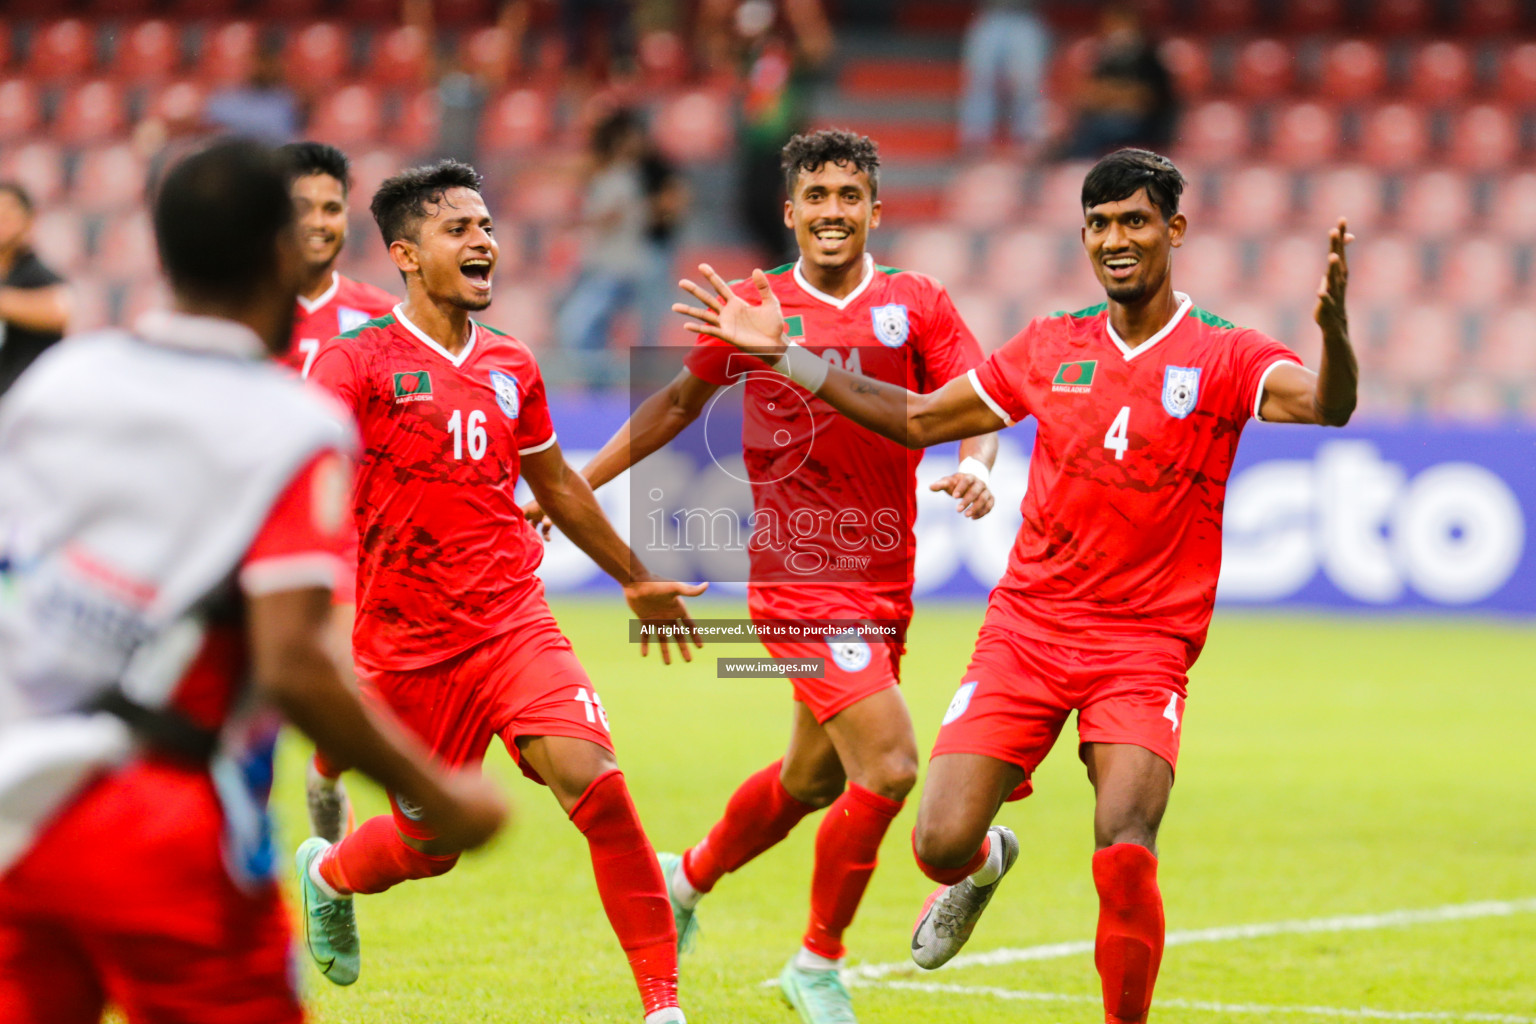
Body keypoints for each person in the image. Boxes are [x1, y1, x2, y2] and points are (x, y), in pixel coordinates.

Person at [674, 148, 1357, 1024]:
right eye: (1102, 225)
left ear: (1174, 231)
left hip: (1143, 646)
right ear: (1083, 236)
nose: (1118, 239)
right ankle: (979, 866)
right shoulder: (1049, 344)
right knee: (937, 841)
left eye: (1136, 221)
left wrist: (1335, 333)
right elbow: (919, 418)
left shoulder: (1225, 353)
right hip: (1027, 631)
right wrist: (795, 359)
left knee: (1124, 847)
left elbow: (1326, 405)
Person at [0, 138, 505, 1024]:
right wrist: (437, 792)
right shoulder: (288, 424)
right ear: (283, 253)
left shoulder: (63, 380)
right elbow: (293, 663)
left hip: (16, 804)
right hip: (153, 816)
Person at [530, 128, 998, 1024]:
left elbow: (969, 399)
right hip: (795, 583)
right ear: (789, 212)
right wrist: (572, 487)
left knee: (811, 783)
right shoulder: (754, 305)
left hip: (882, 580)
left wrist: (979, 461)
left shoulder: (917, 302)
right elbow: (676, 404)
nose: (831, 212)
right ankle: (817, 964)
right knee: (894, 766)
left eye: (848, 196)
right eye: (815, 197)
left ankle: (687, 878)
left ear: (874, 208)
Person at [299, 159, 704, 1024]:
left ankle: (663, 1008)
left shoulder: (512, 363)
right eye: (459, 229)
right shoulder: (354, 364)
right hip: (404, 644)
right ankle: (327, 874)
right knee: (430, 844)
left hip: (511, 622)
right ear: (406, 255)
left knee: (596, 784)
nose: (484, 241)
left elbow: (554, 485)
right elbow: (301, 476)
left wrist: (634, 578)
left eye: (486, 227)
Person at [275, 141, 399, 846]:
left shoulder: (380, 320)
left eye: (332, 207)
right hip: (248, 539)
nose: (320, 222)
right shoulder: (242, 309)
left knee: (355, 688)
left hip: (350, 543)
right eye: (302, 209)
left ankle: (325, 777)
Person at [556, 109, 651, 387]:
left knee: (576, 328)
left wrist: (578, 221)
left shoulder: (621, 177)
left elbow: (612, 217)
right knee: (592, 334)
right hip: (602, 268)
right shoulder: (614, 177)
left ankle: (605, 383)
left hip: (615, 270)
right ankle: (602, 387)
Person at [1065, 4, 1177, 159]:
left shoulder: (1150, 58)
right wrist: (1117, 95)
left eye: (1122, 26)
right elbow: (1086, 98)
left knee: (1099, 130)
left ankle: (1079, 169)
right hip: (1105, 120)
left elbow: (1144, 100)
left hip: (1146, 126)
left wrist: (1109, 95)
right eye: (1112, 26)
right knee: (1081, 130)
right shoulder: (1102, 59)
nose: (1117, 32)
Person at [0, 182, 68, 398]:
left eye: (10, 211)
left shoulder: (36, 274)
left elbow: (61, 311)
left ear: (28, 221)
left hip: (27, 396)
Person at [957, 0, 1050, 153]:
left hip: (1026, 16)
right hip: (991, 14)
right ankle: (975, 142)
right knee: (981, 80)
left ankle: (1027, 142)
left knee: (1027, 83)